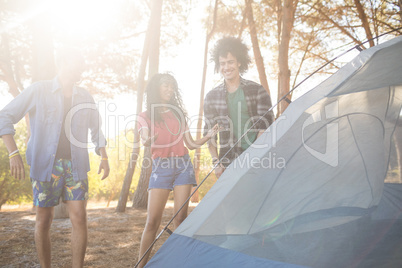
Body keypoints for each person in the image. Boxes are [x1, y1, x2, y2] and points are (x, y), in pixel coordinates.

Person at [0, 47, 110, 268]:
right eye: (79, 61)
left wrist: (104, 156)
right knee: (44, 219)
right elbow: (5, 115)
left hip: (76, 166)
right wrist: (13, 153)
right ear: (65, 62)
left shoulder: (85, 95)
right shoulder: (38, 90)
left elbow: (96, 128)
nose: (83, 67)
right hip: (45, 166)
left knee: (79, 216)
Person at [136, 73, 218, 268]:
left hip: (183, 166)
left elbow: (190, 144)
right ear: (156, 88)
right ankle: (139, 266)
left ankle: (180, 262)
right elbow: (144, 135)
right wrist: (147, 140)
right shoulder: (145, 115)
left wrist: (207, 136)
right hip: (161, 168)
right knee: (152, 221)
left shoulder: (178, 113)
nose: (169, 89)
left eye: (172, 86)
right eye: (166, 85)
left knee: (181, 219)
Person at [203, 37, 275, 178]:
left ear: (239, 62)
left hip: (257, 159)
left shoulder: (257, 90)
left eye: (230, 62)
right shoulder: (212, 97)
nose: (226, 67)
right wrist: (216, 162)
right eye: (222, 63)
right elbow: (210, 134)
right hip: (227, 161)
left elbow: (265, 126)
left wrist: (253, 156)